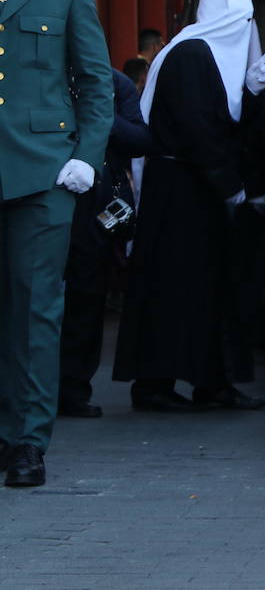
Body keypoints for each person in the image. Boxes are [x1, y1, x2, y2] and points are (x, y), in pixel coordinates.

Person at [114, 0, 265, 414]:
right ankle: (156, 384)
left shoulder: (209, 56)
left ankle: (212, 381)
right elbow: (200, 131)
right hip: (181, 195)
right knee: (174, 289)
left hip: (197, 193)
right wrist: (230, 185)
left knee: (207, 292)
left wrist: (253, 94)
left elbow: (227, 124)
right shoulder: (190, 57)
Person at [0, 0, 113, 488]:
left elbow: (97, 84)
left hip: (44, 175)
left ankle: (27, 441)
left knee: (36, 308)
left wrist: (86, 157)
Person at [59, 68, 153, 418]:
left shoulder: (114, 83)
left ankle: (73, 387)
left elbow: (141, 139)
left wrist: (99, 112)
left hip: (94, 203)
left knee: (86, 295)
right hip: (40, 193)